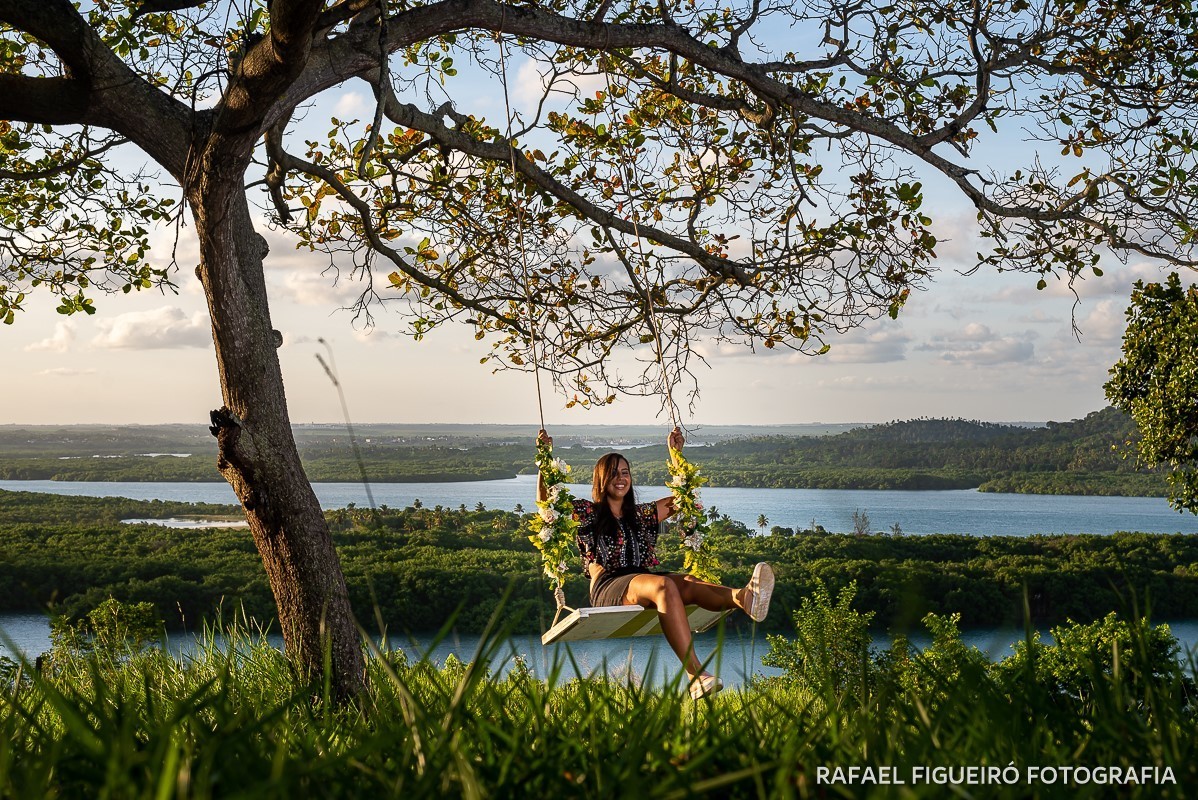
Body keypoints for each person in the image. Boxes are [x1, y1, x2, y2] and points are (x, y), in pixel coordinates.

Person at [537, 426, 775, 699]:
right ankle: (696, 676)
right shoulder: (588, 512)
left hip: (640, 580)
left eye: (625, 473)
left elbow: (684, 499)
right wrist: (544, 460)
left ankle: (744, 597)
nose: (620, 479)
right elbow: (547, 506)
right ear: (601, 479)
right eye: (613, 473)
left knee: (688, 583)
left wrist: (675, 455)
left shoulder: (641, 514)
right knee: (663, 586)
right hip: (609, 586)